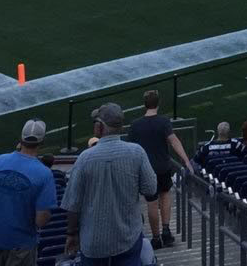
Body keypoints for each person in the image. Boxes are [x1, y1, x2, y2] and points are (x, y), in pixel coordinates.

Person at [63, 103, 157, 266]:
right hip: (127, 238)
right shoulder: (136, 152)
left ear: (99, 127)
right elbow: (150, 189)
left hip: (93, 243)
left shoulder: (85, 158)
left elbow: (73, 204)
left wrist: (71, 234)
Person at [127, 89, 193, 251]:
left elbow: (130, 150)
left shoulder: (135, 125)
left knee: (151, 201)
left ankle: (156, 238)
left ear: (145, 104)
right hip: (163, 166)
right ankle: (166, 230)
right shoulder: (163, 121)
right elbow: (174, 141)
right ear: (158, 103)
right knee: (165, 195)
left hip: (145, 169)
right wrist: (186, 161)